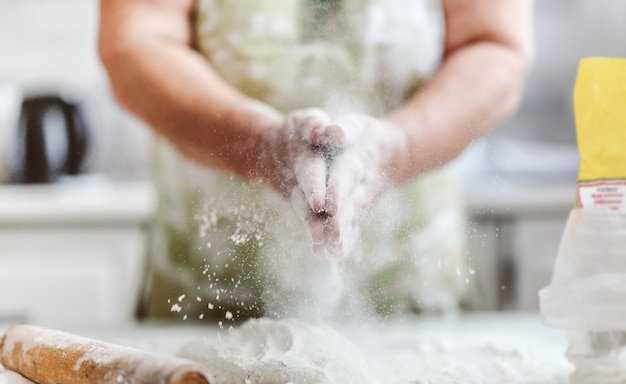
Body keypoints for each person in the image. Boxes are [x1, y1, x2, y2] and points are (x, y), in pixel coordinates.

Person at [98, 0, 534, 323]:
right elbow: (136, 43)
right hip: (206, 298)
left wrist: (394, 150)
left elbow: (495, 46)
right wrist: (257, 144)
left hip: (415, 291)